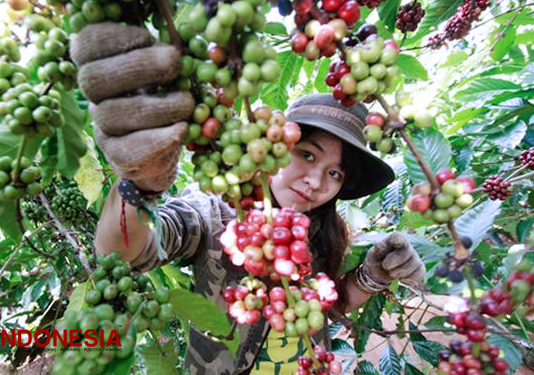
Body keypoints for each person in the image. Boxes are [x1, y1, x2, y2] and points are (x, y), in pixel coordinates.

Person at [72, 23, 425, 375]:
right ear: (275, 145)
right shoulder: (217, 209)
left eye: (336, 173)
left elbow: (326, 307)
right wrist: (140, 184)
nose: (316, 182)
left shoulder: (323, 228)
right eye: (307, 154)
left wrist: (372, 276)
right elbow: (122, 253)